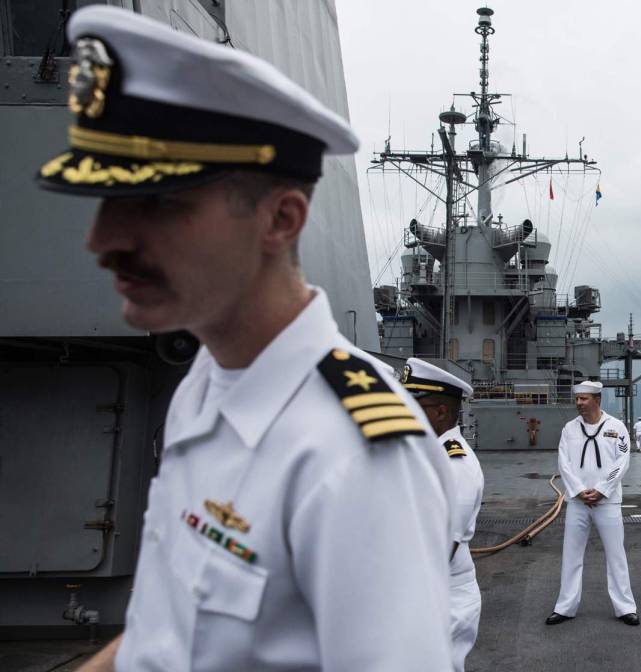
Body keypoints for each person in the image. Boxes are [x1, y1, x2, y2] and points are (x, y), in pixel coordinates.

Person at [45, 7, 455, 670]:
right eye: (103, 203)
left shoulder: (353, 454)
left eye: (156, 204)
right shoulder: (204, 388)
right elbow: (165, 634)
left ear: (281, 221)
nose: (102, 242)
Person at [402, 359, 485, 671]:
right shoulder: (425, 455)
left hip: (446, 596)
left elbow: (440, 549)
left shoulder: (456, 465)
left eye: (412, 405)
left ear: (440, 412)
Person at [546, 381, 639, 626]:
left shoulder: (616, 427)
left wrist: (601, 489)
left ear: (598, 399)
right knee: (571, 555)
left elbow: (622, 462)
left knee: (616, 555)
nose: (579, 403)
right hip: (577, 503)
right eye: (577, 399)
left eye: (584, 399)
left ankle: (625, 607)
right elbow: (563, 462)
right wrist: (577, 491)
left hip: (607, 502)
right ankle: (565, 607)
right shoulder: (569, 429)